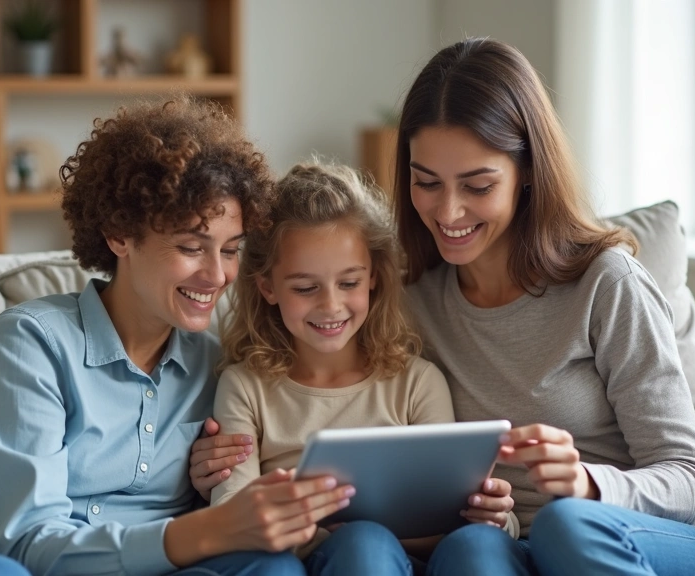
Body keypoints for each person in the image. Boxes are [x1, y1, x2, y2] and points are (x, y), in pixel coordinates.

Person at [0, 97, 353, 576]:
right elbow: (27, 544)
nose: (217, 275)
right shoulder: (30, 345)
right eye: (191, 247)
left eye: (230, 250)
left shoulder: (215, 365)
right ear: (119, 235)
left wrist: (207, 488)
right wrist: (211, 529)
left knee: (273, 569)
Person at [393, 38, 695, 575]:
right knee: (466, 552)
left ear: (527, 172)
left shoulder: (606, 283)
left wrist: (587, 482)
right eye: (426, 183)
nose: (449, 210)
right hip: (531, 550)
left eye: (478, 184)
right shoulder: (414, 302)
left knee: (568, 523)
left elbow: (690, 479)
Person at [209, 161, 519, 576]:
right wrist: (321, 532)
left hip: (403, 561)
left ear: (373, 277)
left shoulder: (415, 383)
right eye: (305, 288)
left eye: (349, 283)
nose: (331, 305)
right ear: (268, 287)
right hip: (299, 560)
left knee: (386, 543)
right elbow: (232, 515)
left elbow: (450, 515)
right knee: (358, 543)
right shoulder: (245, 386)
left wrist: (493, 514)